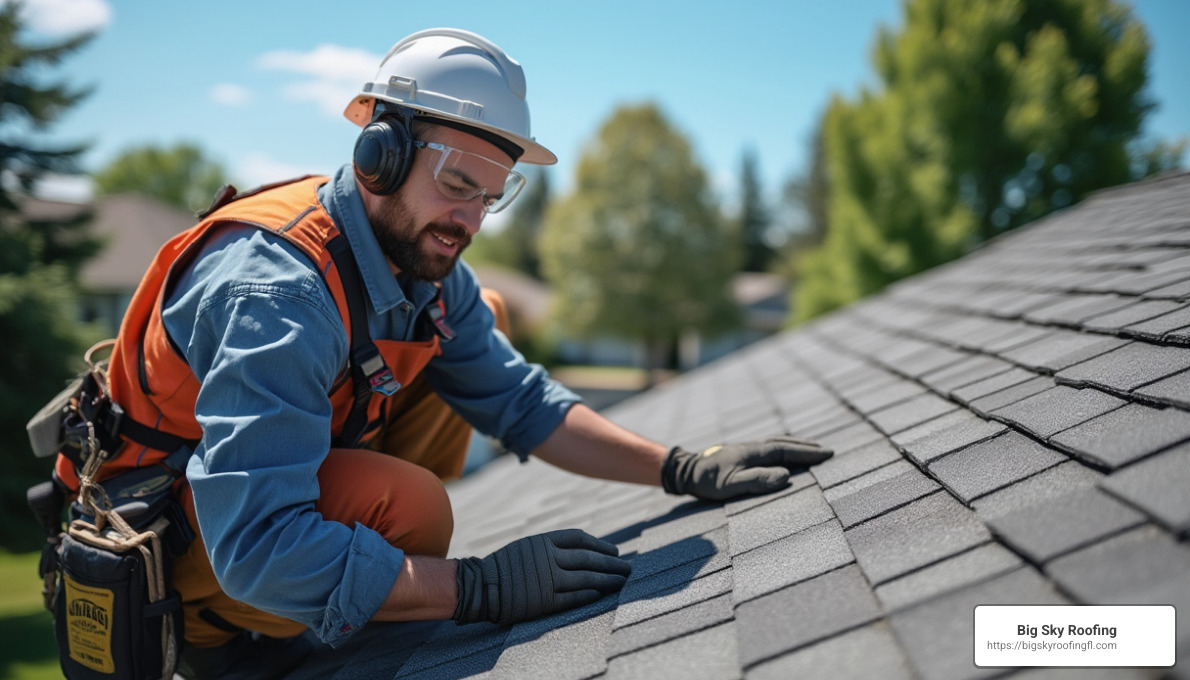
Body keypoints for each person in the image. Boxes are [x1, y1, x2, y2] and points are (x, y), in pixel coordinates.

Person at [77, 28, 832, 678]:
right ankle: (247, 637)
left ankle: (360, 579)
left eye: (489, 198)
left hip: (263, 503)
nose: (469, 220)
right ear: (380, 154)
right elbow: (257, 548)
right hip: (191, 559)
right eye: (457, 184)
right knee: (411, 508)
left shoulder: (422, 270)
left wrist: (680, 468)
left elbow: (522, 401)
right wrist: (475, 588)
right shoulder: (279, 293)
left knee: (477, 322)